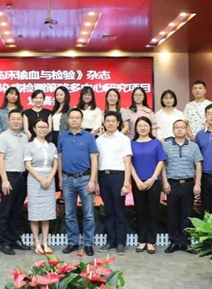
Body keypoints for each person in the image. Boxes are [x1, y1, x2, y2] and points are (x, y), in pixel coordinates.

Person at [57, 107, 98, 256]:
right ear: (68, 120)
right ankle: (73, 242)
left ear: (82, 120)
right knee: (69, 213)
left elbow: (94, 159)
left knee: (88, 214)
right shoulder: (62, 136)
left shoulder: (89, 137)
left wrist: (93, 180)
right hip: (67, 179)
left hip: (85, 178)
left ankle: (88, 243)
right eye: (72, 117)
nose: (74, 120)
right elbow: (59, 158)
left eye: (77, 117)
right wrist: (60, 179)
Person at [162, 119, 203, 253]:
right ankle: (174, 242)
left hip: (188, 184)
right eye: (177, 127)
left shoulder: (193, 146)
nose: (179, 129)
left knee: (187, 214)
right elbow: (162, 166)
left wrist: (197, 184)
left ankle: (185, 242)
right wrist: (165, 182)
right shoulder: (166, 146)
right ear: (173, 130)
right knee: (172, 214)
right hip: (172, 184)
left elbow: (198, 166)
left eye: (182, 127)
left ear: (186, 129)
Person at [96, 111, 133, 255]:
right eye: (108, 121)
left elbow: (127, 162)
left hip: (118, 176)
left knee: (119, 210)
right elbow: (96, 161)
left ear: (118, 123)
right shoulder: (99, 140)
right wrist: (97, 182)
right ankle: (110, 241)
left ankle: (121, 242)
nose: (110, 123)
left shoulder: (123, 139)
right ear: (104, 123)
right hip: (103, 176)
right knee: (108, 211)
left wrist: (126, 183)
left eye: (113, 121)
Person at [0, 109, 30, 255]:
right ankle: (4, 242)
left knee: (17, 211)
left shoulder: (24, 137)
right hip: (9, 177)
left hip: (23, 177)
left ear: (22, 121)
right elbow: (0, 159)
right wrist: (4, 180)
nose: (16, 121)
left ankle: (15, 239)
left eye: (18, 119)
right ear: (8, 121)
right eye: (13, 119)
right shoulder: (3, 137)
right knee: (6, 211)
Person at [131, 116, 166, 254]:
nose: (143, 128)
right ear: (136, 128)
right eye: (140, 125)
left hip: (154, 182)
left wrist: (153, 178)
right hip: (137, 182)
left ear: (150, 127)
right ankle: (142, 241)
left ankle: (151, 241)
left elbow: (161, 161)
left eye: (145, 125)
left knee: (152, 212)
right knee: (140, 212)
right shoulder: (131, 143)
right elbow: (129, 163)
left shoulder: (156, 143)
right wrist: (137, 180)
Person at [24, 118, 58, 255]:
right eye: (39, 127)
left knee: (46, 213)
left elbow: (55, 164)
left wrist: (49, 179)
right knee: (35, 213)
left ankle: (45, 242)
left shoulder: (52, 146)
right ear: (34, 129)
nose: (42, 129)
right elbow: (28, 166)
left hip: (49, 180)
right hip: (34, 180)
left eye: (45, 127)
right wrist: (41, 179)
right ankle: (37, 243)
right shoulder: (29, 146)